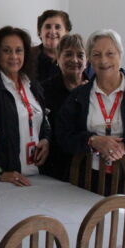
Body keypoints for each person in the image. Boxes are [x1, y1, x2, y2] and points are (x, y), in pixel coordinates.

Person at [56, 29, 125, 208]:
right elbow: (63, 136)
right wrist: (92, 141)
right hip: (88, 182)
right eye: (96, 54)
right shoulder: (78, 96)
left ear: (120, 55)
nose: (103, 60)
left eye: (110, 53)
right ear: (89, 59)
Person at [0, 26, 50, 187]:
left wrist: (46, 139)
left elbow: (44, 120)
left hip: (37, 176)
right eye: (6, 51)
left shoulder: (33, 86)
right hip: (6, 180)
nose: (13, 56)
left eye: (19, 50)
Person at [41, 33, 88, 182]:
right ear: (57, 58)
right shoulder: (43, 90)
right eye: (68, 54)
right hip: (54, 166)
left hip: (88, 167)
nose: (74, 60)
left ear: (87, 60)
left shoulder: (95, 89)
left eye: (80, 55)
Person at [32, 10, 72, 82]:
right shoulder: (28, 56)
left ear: (66, 33)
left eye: (57, 27)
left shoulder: (75, 58)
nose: (52, 31)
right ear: (39, 32)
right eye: (48, 27)